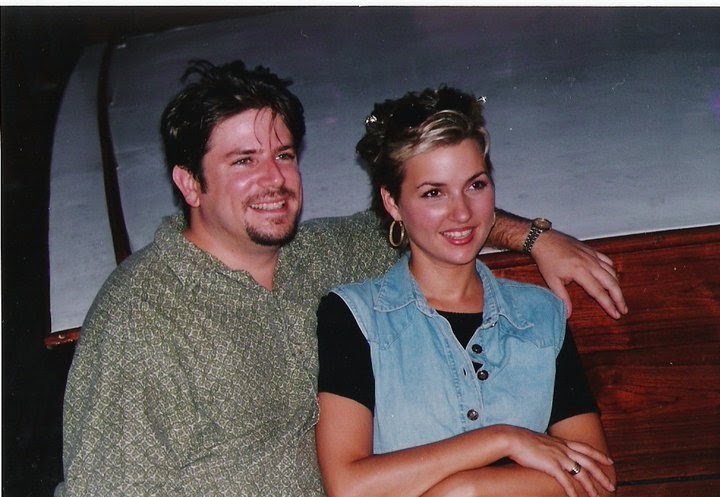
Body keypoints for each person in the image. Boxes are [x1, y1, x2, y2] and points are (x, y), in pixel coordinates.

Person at [55, 60, 626, 497]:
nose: (274, 179)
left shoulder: (322, 254)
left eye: (283, 155)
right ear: (189, 183)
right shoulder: (142, 312)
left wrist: (535, 237)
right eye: (243, 161)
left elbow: (439, 215)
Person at [315, 86, 616, 497]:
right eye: (433, 193)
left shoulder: (540, 313)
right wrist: (502, 439)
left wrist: (467, 489)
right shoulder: (354, 316)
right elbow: (349, 487)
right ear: (392, 203)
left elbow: (597, 478)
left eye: (475, 185)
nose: (462, 212)